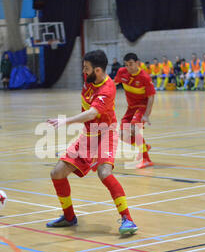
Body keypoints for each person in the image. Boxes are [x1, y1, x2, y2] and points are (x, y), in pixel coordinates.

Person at [46, 50, 138, 235]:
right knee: (57, 173)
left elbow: (92, 113)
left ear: (97, 70)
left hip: (105, 134)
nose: (83, 71)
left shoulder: (107, 88)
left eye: (86, 68)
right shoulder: (89, 79)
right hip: (88, 136)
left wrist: (66, 121)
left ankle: (128, 219)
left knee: (104, 173)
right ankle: (69, 217)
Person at [114, 52, 155, 169]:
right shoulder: (122, 72)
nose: (129, 67)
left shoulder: (144, 77)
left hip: (142, 107)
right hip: (130, 108)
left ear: (137, 63)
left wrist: (146, 115)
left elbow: (151, 97)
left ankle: (146, 159)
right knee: (122, 135)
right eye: (126, 65)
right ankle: (144, 146)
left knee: (134, 130)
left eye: (131, 64)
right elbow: (114, 83)